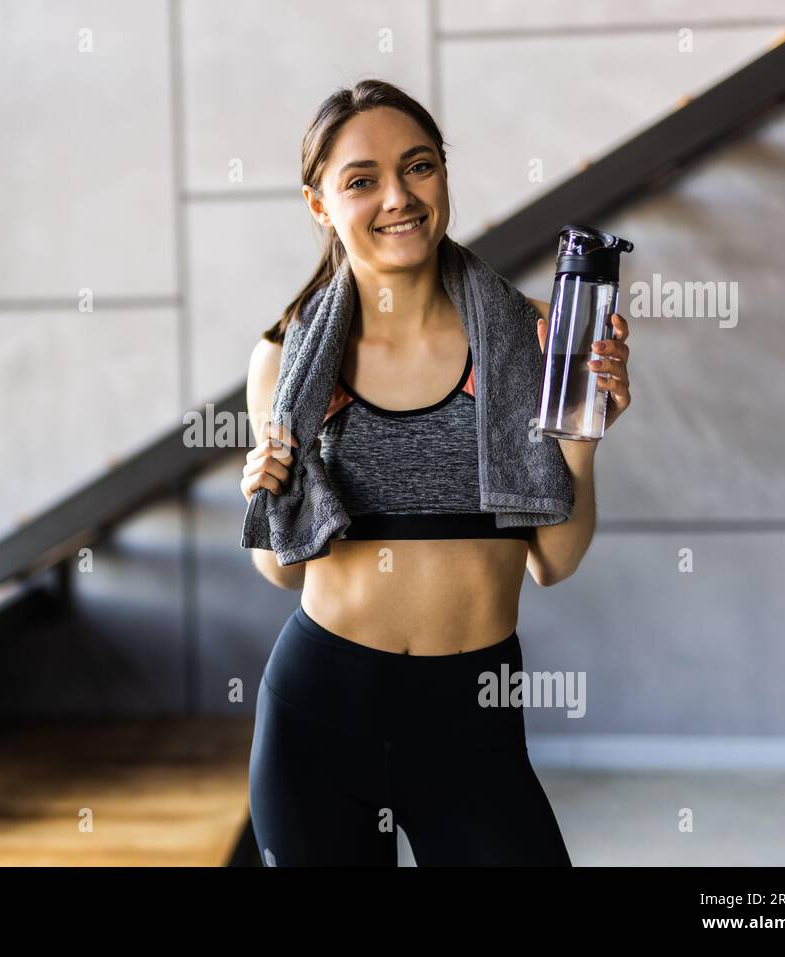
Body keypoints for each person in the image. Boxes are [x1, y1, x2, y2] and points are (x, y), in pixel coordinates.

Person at [241, 79, 632, 866]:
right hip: (318, 714)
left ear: (444, 175)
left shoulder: (530, 339)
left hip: (473, 718)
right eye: (362, 180)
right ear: (320, 204)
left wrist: (584, 437)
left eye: (418, 166)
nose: (399, 196)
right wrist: (266, 487)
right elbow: (281, 571)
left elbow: (553, 561)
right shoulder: (285, 360)